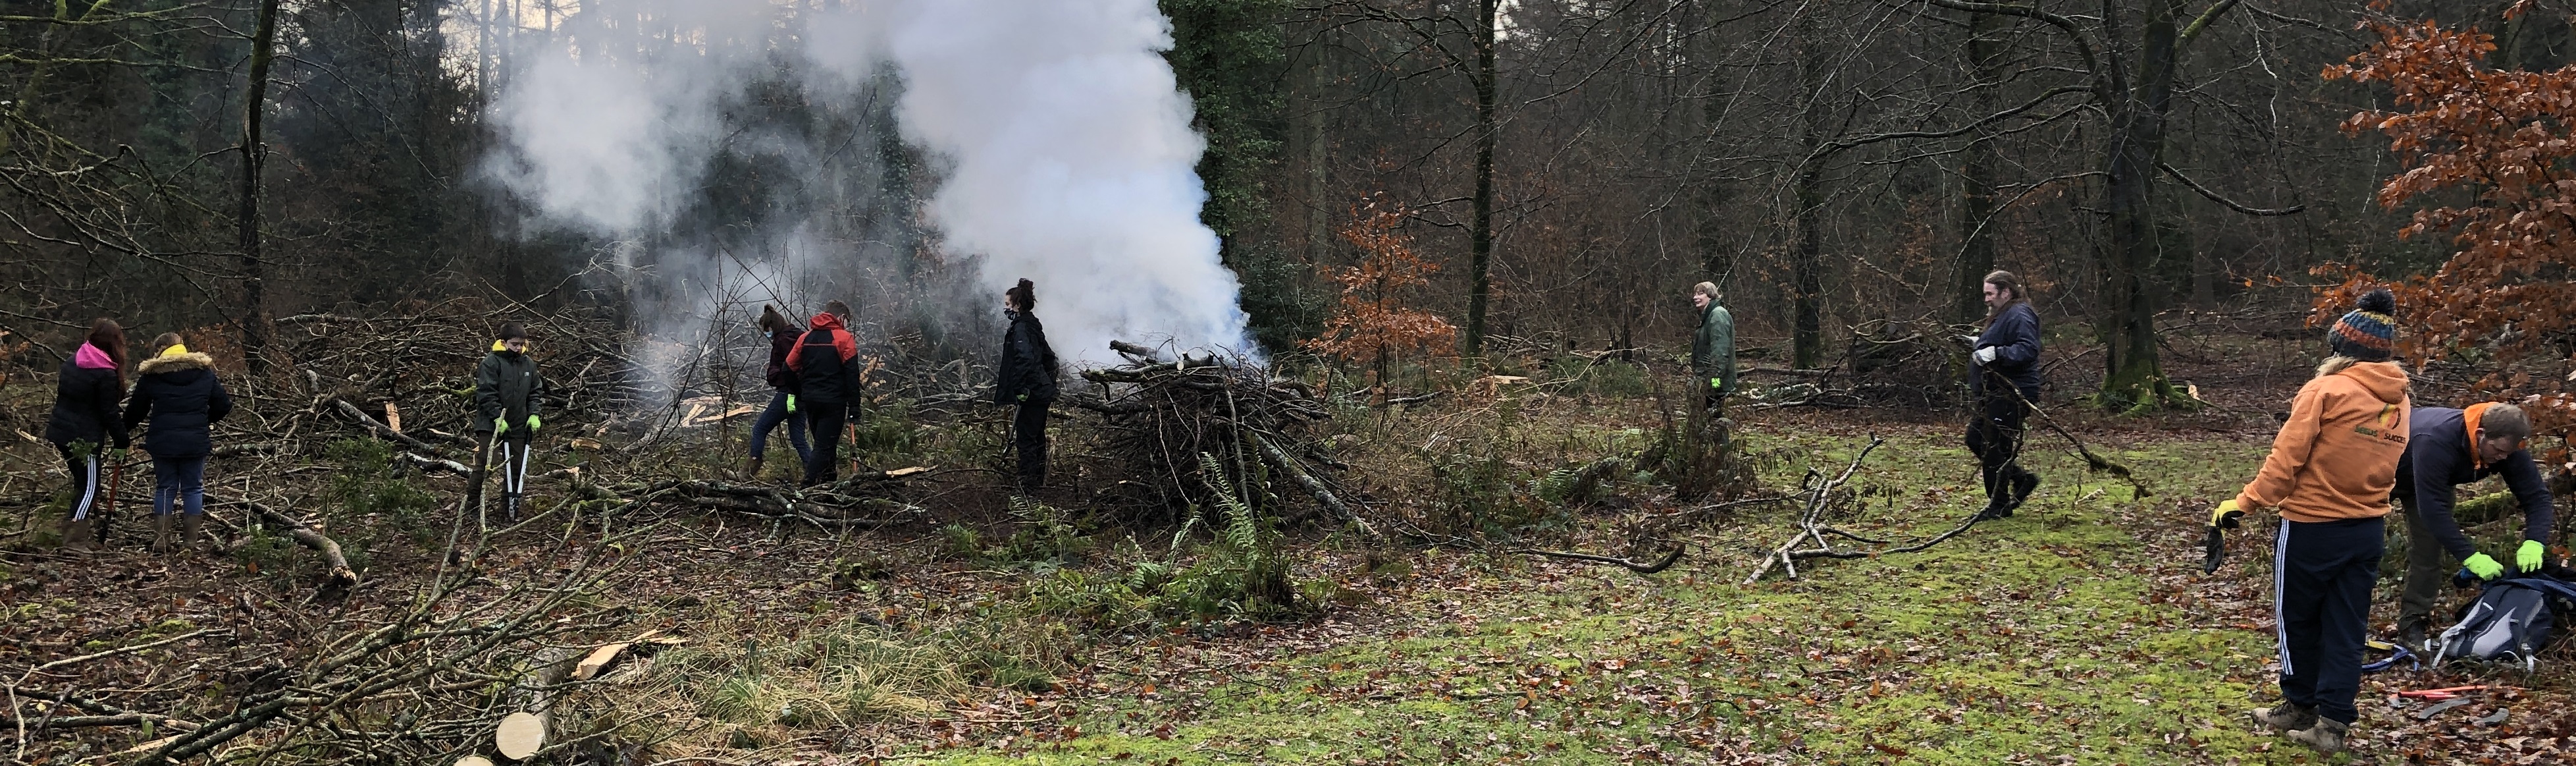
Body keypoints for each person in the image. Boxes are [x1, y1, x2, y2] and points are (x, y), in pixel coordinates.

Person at [2216, 288, 2411, 754]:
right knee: (2346, 627)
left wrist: (2243, 503)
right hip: (2367, 529)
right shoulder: (2400, 400)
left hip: (2310, 525)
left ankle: (2299, 704)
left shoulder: (2324, 390)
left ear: (2342, 349)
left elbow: (2285, 460)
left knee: (2296, 620)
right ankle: (2333, 725)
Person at [2391, 401, 2556, 650]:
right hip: (2382, 471)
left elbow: (2537, 497)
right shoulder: (2437, 440)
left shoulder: (2507, 447)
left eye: (2508, 454)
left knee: (2428, 551)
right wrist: (2470, 557)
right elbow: (2433, 511)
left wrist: (2535, 541)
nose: (2502, 459)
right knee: (2356, 544)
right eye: (2498, 451)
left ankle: (2411, 623)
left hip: (2431, 482)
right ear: (2481, 435)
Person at [124, 333, 232, 553]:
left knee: (165, 487)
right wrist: (203, 422)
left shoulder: (152, 377)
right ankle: (190, 544)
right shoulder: (204, 374)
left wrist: (120, 431)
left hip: (162, 441)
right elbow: (224, 406)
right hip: (195, 441)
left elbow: (136, 411)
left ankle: (161, 542)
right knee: (193, 488)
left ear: (161, 349)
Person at [44, 319, 129, 549]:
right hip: (86, 439)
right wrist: (122, 440)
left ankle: (73, 532)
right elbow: (109, 412)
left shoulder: (75, 360)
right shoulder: (104, 373)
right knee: (91, 487)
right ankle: (74, 540)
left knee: (81, 483)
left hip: (61, 432)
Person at [1966, 270, 2042, 520]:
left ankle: (1997, 505)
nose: (1986, 299)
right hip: (1996, 391)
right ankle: (2022, 480)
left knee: (1994, 446)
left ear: (2005, 292)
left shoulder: (2020, 313)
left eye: (1990, 294)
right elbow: (2005, 340)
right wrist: (1980, 342)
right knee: (1976, 438)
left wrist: (1995, 353)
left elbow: (2027, 349)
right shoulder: (2005, 313)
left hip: (2012, 391)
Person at [473, 322, 546, 522]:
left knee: (516, 467)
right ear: (503, 342)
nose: (519, 348)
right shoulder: (491, 363)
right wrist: (497, 417)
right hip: (490, 424)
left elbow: (536, 392)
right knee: (484, 466)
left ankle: (508, 510)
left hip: (518, 424)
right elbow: (486, 393)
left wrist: (534, 414)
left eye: (522, 344)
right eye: (515, 344)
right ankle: (472, 509)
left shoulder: (528, 363)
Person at [995, 279, 1060, 493]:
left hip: (1033, 394)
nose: (1005, 309)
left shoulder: (1022, 329)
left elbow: (1025, 360)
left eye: (1007, 304)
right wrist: (1048, 385)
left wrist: (1023, 390)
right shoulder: (1032, 327)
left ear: (1017, 305)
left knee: (1026, 440)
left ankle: (1028, 488)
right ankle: (1037, 483)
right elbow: (1050, 359)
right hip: (1040, 392)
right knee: (1037, 436)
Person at [789, 300, 861, 487]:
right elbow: (852, 375)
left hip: (811, 400)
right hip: (834, 401)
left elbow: (788, 368)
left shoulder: (805, 338)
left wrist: (800, 391)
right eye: (847, 322)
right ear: (842, 318)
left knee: (825, 443)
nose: (847, 326)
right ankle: (806, 486)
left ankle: (829, 480)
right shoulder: (844, 339)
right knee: (824, 446)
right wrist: (855, 407)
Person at [744, 304, 812, 480]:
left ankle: (749, 472)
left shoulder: (783, 341)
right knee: (798, 438)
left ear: (772, 327)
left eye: (767, 330)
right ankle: (814, 472)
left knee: (760, 429)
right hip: (799, 397)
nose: (767, 334)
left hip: (789, 395)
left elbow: (791, 368)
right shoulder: (799, 337)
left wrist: (775, 374)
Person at [1689, 282, 1735, 414]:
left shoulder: (1717, 316)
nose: (1696, 297)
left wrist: (1712, 385)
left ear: (1711, 296)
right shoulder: (1708, 317)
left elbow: (1720, 354)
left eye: (1701, 293)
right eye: (1695, 294)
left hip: (1716, 381)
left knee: (1714, 419)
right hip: (1707, 379)